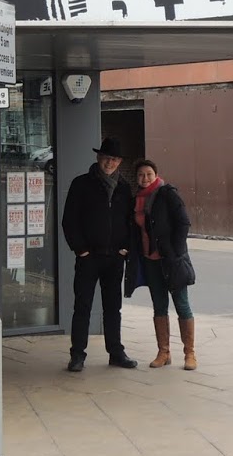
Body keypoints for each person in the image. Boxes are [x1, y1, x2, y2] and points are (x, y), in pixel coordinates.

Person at [60, 136, 139, 372]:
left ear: (119, 162)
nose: (110, 163)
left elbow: (130, 222)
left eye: (114, 159)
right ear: (98, 158)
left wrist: (125, 247)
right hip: (89, 258)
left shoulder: (124, 187)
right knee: (82, 306)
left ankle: (116, 352)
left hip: (114, 258)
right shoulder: (81, 184)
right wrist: (81, 250)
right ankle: (77, 355)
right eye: (106, 158)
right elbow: (69, 221)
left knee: (113, 308)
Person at [132, 159, 197, 370]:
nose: (145, 178)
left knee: (181, 304)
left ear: (156, 174)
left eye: (149, 174)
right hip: (149, 260)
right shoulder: (137, 199)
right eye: (141, 174)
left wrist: (176, 252)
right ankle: (164, 352)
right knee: (159, 306)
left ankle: (190, 354)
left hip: (171, 260)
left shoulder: (167, 193)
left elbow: (183, 223)